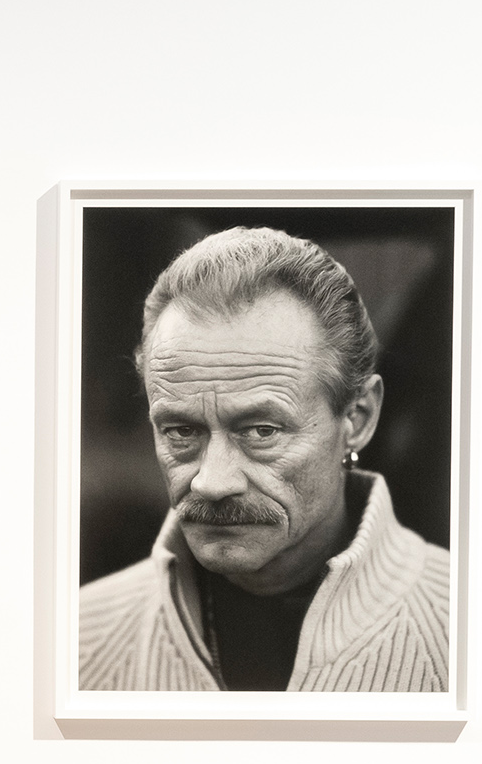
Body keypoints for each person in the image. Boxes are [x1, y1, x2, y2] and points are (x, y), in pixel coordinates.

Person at [79, 227, 451, 692]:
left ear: (357, 419)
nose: (212, 483)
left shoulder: (473, 632)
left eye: (261, 431)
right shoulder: (79, 643)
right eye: (181, 431)